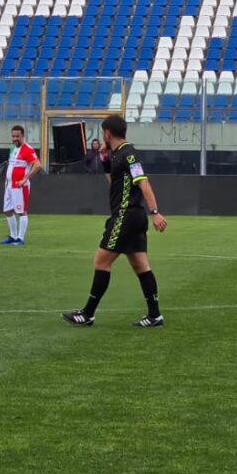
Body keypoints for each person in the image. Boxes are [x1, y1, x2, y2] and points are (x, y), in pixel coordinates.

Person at [62, 114, 168, 328]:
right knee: (140, 265)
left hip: (126, 215)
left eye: (103, 133)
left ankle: (88, 313)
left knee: (101, 261)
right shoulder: (119, 155)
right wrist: (104, 158)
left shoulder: (129, 155)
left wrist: (155, 211)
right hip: (132, 216)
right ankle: (155, 315)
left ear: (107, 133)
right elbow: (115, 181)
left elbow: (143, 183)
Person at [1, 125, 43, 246]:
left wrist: (25, 179)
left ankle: (20, 238)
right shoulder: (12, 149)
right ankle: (13, 236)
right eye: (13, 136)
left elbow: (37, 165)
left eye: (17, 136)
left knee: (21, 212)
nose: (15, 138)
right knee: (8, 210)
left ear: (23, 136)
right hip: (9, 185)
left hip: (20, 187)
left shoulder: (27, 149)